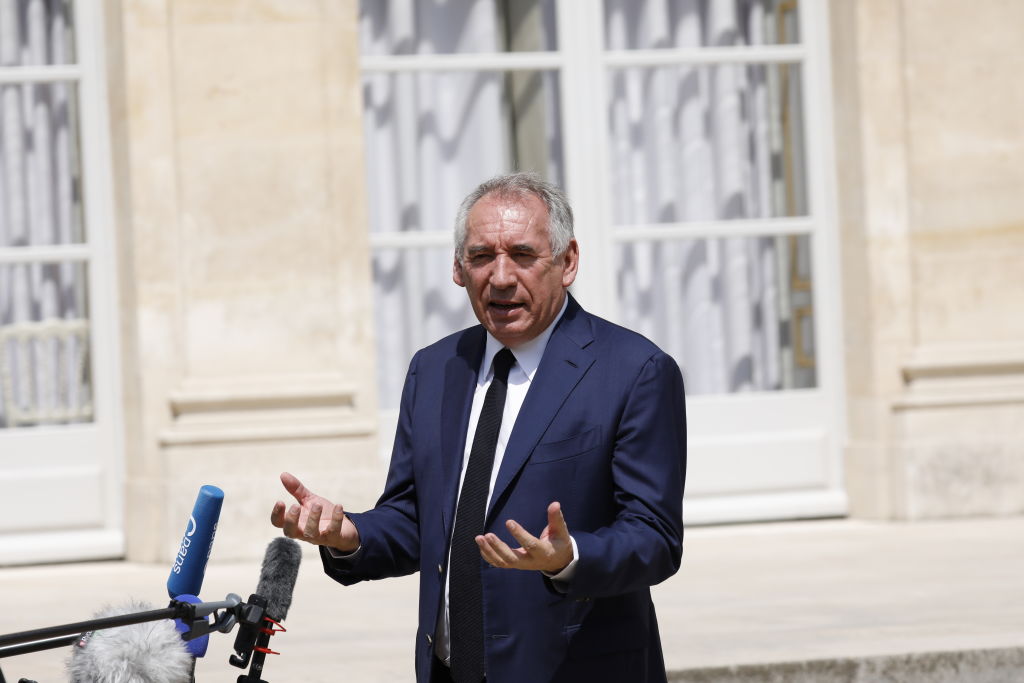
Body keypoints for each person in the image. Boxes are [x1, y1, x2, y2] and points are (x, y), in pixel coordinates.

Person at [271, 172, 686, 683]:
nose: (502, 276)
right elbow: (415, 520)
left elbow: (655, 538)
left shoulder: (634, 371)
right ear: (458, 268)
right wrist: (350, 534)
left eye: (523, 255)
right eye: (482, 256)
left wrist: (568, 556)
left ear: (568, 261)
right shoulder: (436, 368)